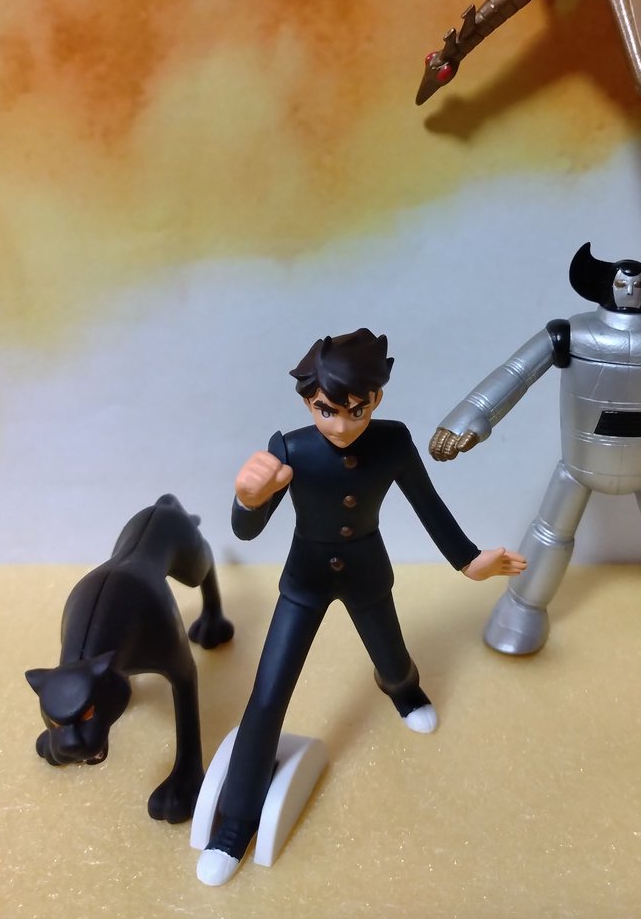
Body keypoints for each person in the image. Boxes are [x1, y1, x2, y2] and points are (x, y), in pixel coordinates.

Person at [197, 328, 525, 886]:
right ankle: (234, 827)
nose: (342, 426)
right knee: (268, 694)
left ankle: (403, 690)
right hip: (304, 581)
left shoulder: (393, 442)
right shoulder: (291, 448)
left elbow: (428, 504)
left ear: (377, 397)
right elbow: (246, 531)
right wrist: (248, 499)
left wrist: (469, 561)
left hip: (368, 572)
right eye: (326, 410)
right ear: (308, 402)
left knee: (393, 663)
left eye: (357, 410)